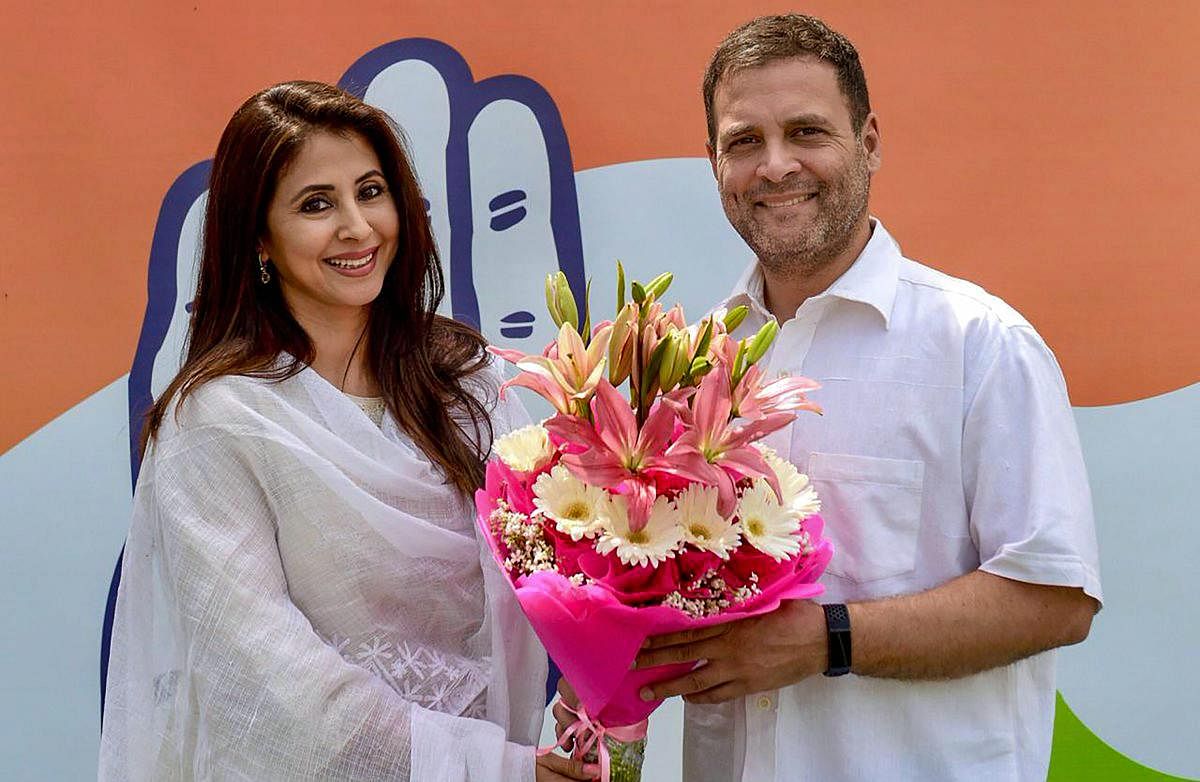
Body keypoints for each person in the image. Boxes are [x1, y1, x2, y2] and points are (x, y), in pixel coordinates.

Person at [557, 14, 1102, 780]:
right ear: (713, 159)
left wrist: (828, 639)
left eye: (807, 132)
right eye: (744, 141)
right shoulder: (686, 361)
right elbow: (656, 590)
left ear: (870, 142)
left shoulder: (979, 344)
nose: (776, 166)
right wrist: (602, 689)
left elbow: (1055, 598)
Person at [99, 81, 594, 781]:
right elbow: (265, 673)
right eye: (315, 204)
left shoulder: (468, 384)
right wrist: (493, 772)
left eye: (370, 191)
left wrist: (603, 681)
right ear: (259, 237)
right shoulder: (218, 423)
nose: (358, 227)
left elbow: (564, 569)